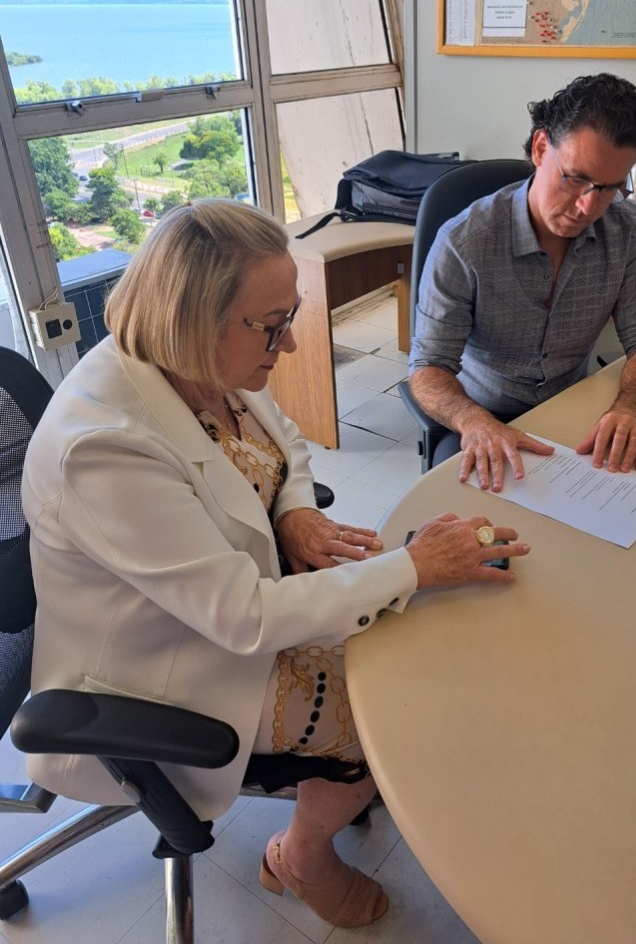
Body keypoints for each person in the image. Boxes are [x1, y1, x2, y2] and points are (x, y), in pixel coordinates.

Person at [21, 199, 528, 929]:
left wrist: (292, 510)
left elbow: (283, 439)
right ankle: (301, 852)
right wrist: (416, 566)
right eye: (273, 325)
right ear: (196, 320)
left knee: (423, 640)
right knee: (396, 712)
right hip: (169, 669)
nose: (288, 346)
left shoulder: (194, 363)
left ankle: (326, 803)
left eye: (289, 316)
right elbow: (244, 617)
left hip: (230, 604)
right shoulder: (103, 446)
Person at [408, 72, 636, 492]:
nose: (588, 205)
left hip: (574, 412)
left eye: (608, 188)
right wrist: (474, 421)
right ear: (540, 148)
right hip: (484, 414)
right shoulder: (464, 242)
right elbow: (427, 368)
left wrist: (631, 407)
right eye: (576, 178)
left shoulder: (627, 228)